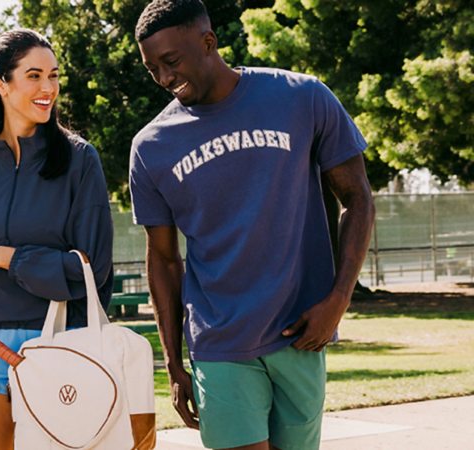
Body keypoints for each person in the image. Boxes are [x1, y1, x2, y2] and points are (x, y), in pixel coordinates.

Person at [129, 1, 376, 449]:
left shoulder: (303, 97)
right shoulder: (150, 148)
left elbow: (358, 198)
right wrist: (172, 363)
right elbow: (163, 261)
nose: (164, 79)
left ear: (209, 42)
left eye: (171, 62)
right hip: (219, 343)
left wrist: (338, 300)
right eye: (152, 69)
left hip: (301, 335)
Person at [0, 29, 114, 450]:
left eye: (53, 75)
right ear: (0, 83)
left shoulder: (80, 160)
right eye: (34, 75)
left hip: (59, 343)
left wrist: (6, 258)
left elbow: (91, 268)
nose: (48, 88)